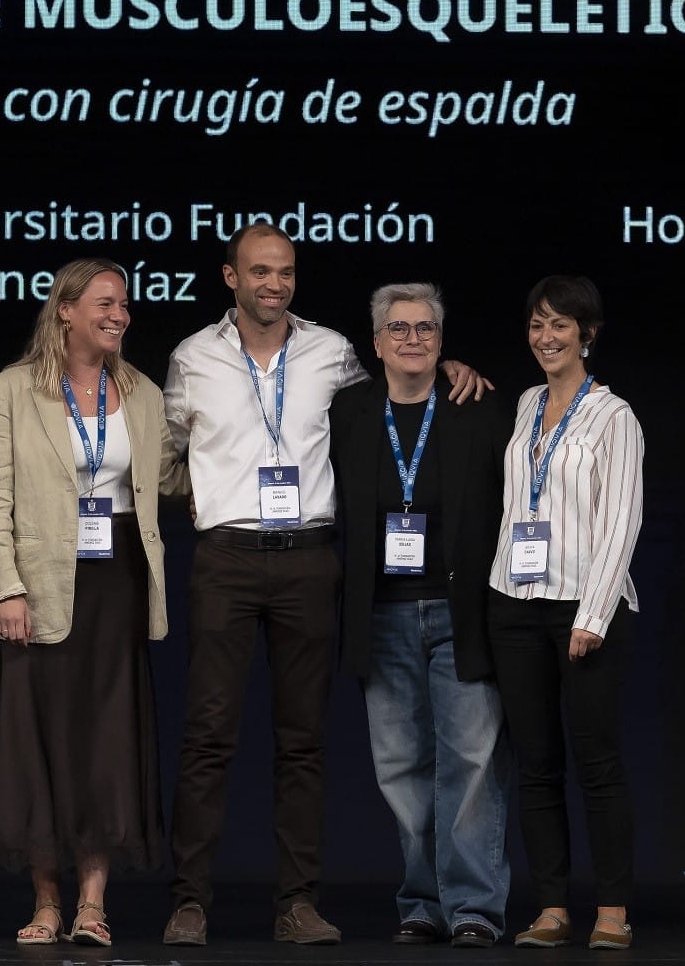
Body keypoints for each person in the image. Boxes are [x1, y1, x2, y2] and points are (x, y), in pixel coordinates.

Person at [160, 222, 486, 947]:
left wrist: (447, 366)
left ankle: (298, 904)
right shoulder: (193, 357)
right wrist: (208, 494)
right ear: (230, 277)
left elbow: (393, 405)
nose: (274, 284)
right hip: (226, 559)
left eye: (285, 271)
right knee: (208, 737)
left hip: (309, 560)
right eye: (260, 271)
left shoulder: (333, 352)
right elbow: (168, 455)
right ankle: (189, 903)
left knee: (303, 741)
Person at [0, 259, 187, 948]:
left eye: (124, 304)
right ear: (65, 310)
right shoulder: (10, 390)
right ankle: (46, 902)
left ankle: (93, 904)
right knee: (38, 741)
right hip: (38, 584)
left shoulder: (143, 393)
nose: (119, 315)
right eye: (104, 303)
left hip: (116, 582)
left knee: (106, 743)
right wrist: (5, 587)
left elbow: (169, 479)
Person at [329, 283, 514, 947]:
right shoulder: (349, 411)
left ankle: (474, 908)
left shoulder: (477, 407)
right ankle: (422, 903)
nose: (413, 338)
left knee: (471, 763)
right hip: (381, 614)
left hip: (461, 612)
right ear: (376, 343)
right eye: (399, 328)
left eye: (426, 328)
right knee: (400, 767)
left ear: (442, 341)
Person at [487, 275, 644, 951]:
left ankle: (612, 911)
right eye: (536, 324)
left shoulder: (614, 416)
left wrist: (594, 614)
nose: (546, 337)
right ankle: (551, 907)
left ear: (587, 334)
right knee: (536, 764)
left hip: (585, 608)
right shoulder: (526, 403)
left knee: (597, 762)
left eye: (560, 325)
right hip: (516, 603)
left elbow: (621, 521)